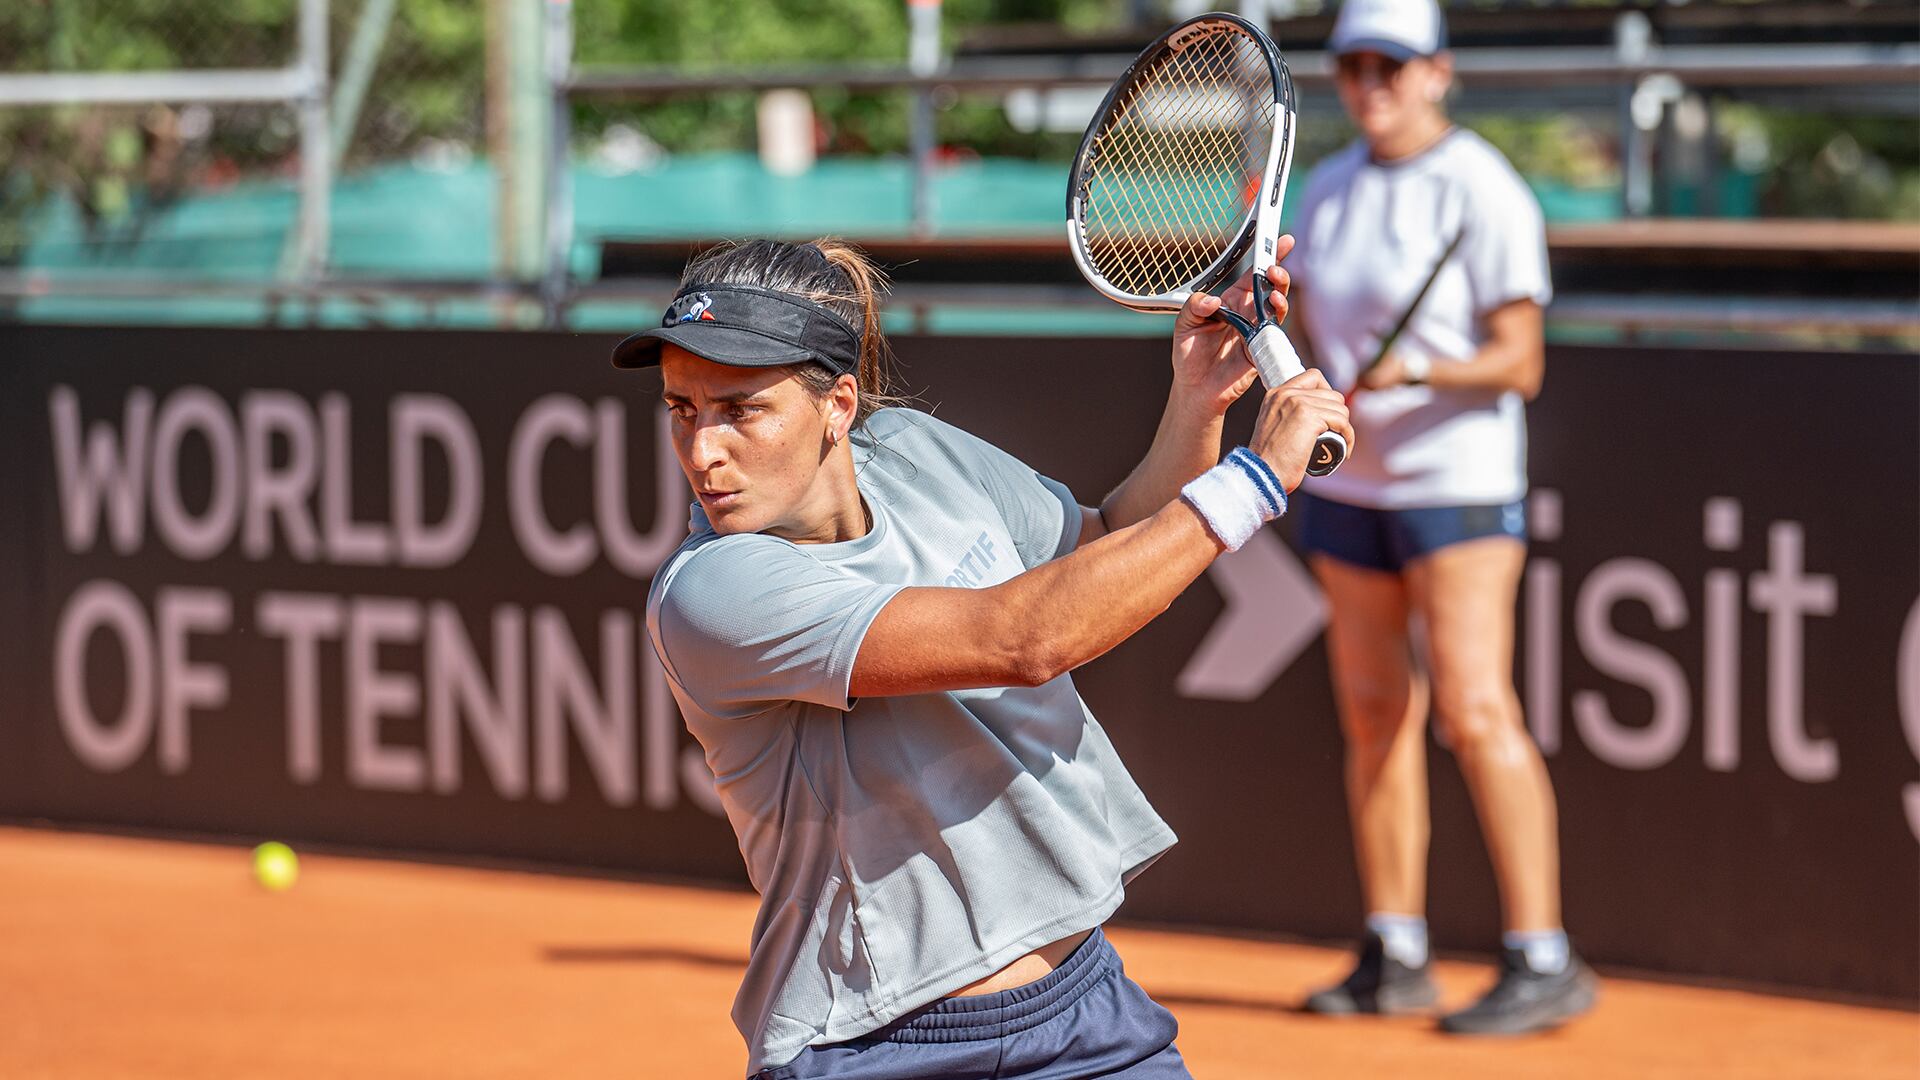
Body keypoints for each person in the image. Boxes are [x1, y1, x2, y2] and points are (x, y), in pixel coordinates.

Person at [611, 237, 1351, 1078]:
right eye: (681, 409)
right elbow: (1023, 639)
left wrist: (1198, 400)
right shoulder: (713, 594)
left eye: (740, 410)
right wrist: (1256, 477)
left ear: (839, 405)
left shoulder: (919, 455)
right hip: (874, 1048)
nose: (702, 452)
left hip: (1086, 1014)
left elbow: (1106, 543)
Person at [1281, 0, 1597, 1036]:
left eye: (1393, 64)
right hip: (1349, 488)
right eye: (1355, 65)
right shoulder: (1325, 191)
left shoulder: (1484, 188)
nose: (1372, 82)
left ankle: (1541, 955)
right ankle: (1396, 949)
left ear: (1437, 72)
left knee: (1473, 707)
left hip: (1456, 485)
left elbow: (1523, 359)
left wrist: (1420, 367)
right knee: (1376, 713)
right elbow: (1319, 339)